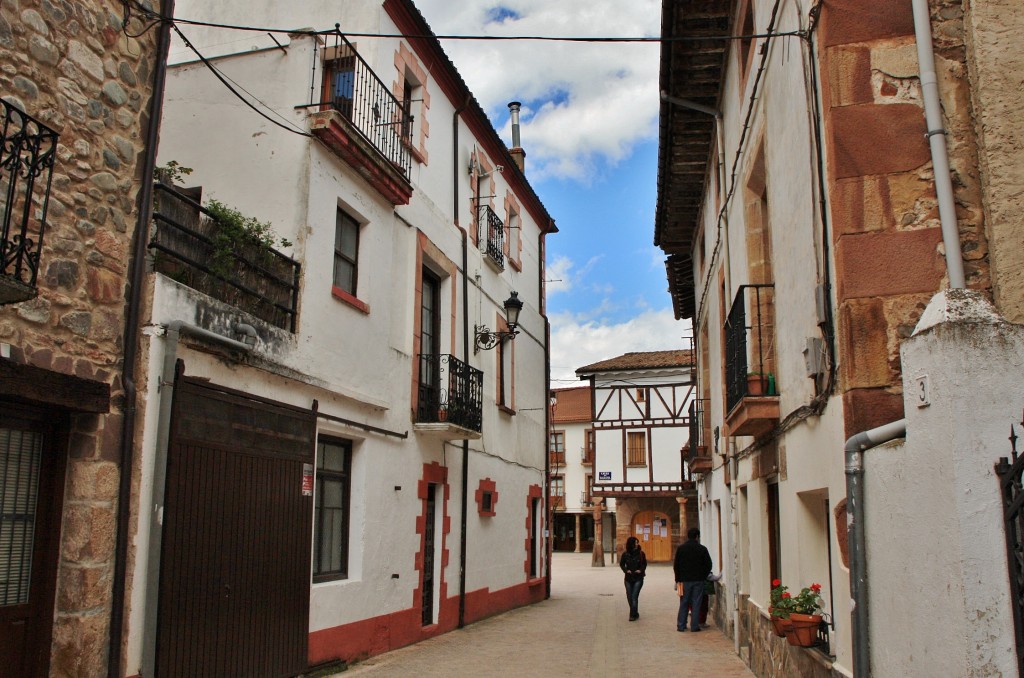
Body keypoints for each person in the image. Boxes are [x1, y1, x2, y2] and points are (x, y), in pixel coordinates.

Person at [674, 527, 712, 632]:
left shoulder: (681, 549)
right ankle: (694, 626)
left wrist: (677, 579)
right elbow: (708, 565)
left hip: (683, 581)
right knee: (696, 602)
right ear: (697, 537)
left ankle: (681, 625)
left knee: (683, 602)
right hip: (698, 580)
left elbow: (676, 565)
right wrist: (703, 576)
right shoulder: (702, 549)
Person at [619, 536, 647, 621]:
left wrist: (640, 570)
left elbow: (644, 564)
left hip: (638, 578)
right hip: (628, 578)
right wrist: (626, 570)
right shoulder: (625, 554)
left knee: (634, 596)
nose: (637, 544)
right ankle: (635, 612)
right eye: (636, 542)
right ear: (631, 544)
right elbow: (622, 564)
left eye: (637, 542)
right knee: (629, 596)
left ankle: (632, 615)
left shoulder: (641, 554)